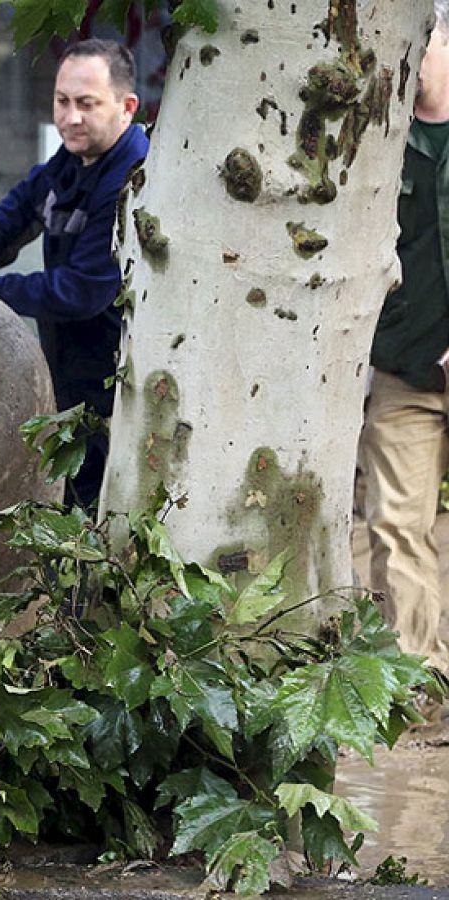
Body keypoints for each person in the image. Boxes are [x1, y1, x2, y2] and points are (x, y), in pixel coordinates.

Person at [0, 38, 148, 508]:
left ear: (127, 106)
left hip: (121, 392)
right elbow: (23, 206)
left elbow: (82, 292)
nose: (71, 117)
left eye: (87, 105)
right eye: (62, 101)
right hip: (71, 381)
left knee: (103, 514)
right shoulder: (74, 159)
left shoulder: (133, 175)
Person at [359, 0, 449, 675]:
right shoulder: (376, 137)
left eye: (419, 39)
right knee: (394, 525)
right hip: (404, 368)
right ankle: (420, 679)